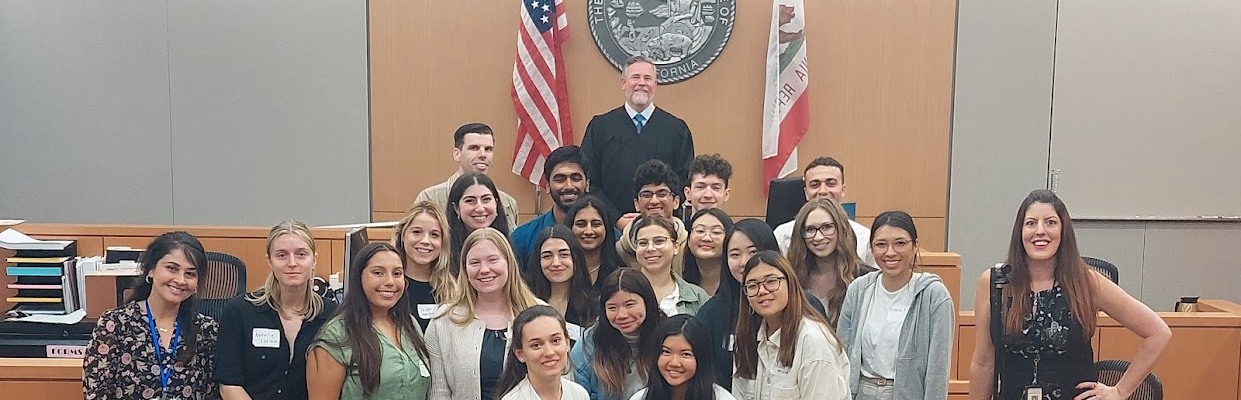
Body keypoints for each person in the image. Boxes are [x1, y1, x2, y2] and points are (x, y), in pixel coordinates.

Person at [970, 190, 1170, 400]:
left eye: (1050, 222)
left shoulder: (1087, 282)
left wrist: (1120, 391)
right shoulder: (995, 283)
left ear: (1063, 231)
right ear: (1019, 231)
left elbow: (1158, 333)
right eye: (1031, 223)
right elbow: (983, 362)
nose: (1040, 231)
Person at [695, 219, 828, 391]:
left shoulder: (807, 306)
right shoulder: (712, 311)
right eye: (735, 255)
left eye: (753, 252)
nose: (744, 262)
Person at [84, 231, 219, 400]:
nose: (181, 280)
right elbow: (97, 393)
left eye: (190, 274)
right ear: (151, 270)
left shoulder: (207, 330)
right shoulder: (115, 324)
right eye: (172, 268)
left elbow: (212, 392)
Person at [837, 211, 954, 400]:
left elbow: (938, 368)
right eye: (881, 244)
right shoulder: (858, 289)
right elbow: (842, 352)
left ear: (915, 246)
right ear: (871, 248)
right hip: (861, 392)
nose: (890, 252)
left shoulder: (934, 295)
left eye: (900, 243)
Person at [217, 221, 336, 400]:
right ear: (269, 261)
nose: (292, 263)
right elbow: (229, 385)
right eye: (282, 255)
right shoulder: (239, 311)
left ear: (314, 260)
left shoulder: (331, 314)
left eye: (301, 254)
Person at [426, 227, 544, 400]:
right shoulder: (443, 321)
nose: (484, 269)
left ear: (508, 262)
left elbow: (560, 382)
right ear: (465, 269)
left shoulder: (541, 316)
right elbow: (439, 392)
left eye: (492, 260)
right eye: (474, 263)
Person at [307, 242, 431, 400]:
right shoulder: (337, 336)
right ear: (359, 277)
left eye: (397, 273)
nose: (390, 282)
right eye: (378, 273)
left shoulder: (409, 324)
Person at [581, 55, 694, 216]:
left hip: (662, 226)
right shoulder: (600, 127)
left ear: (655, 84)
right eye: (635, 77)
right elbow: (589, 181)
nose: (642, 83)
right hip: (611, 228)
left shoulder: (677, 129)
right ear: (623, 83)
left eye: (647, 78)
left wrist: (656, 216)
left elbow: (683, 181)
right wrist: (615, 219)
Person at [732, 250, 850, 400]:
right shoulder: (746, 337)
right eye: (753, 285)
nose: (762, 291)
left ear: (790, 284)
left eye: (771, 281)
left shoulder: (813, 341)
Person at [571, 269, 668, 400]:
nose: (622, 315)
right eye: (612, 307)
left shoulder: (667, 336)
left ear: (647, 302)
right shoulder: (590, 343)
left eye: (630, 305)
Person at [785, 198, 876, 325]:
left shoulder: (867, 279)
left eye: (827, 227)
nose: (818, 237)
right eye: (810, 230)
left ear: (841, 229)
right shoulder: (790, 277)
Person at [774, 157, 874, 268]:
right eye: (814, 185)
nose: (822, 191)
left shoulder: (865, 238)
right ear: (806, 193)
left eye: (831, 184)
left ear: (842, 190)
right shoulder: (782, 235)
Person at [416, 122, 519, 228]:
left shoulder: (507, 203)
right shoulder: (431, 198)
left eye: (488, 149)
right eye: (474, 148)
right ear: (457, 154)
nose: (483, 155)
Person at [512, 145, 591, 263]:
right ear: (548, 186)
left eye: (575, 178)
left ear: (587, 185)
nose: (569, 186)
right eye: (560, 179)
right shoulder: (522, 238)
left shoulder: (606, 235)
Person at [628, 315, 737, 400]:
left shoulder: (720, 397)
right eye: (666, 352)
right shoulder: (641, 397)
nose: (674, 363)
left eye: (686, 354)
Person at [496, 305, 591, 400]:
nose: (549, 352)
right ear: (520, 354)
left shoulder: (579, 394)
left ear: (567, 343)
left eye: (555, 341)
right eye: (536, 345)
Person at [393, 200, 458, 329]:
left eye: (434, 235)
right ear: (402, 235)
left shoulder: (454, 291)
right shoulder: (389, 286)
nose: (425, 241)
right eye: (417, 232)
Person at [524, 225, 597, 338]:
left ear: (575, 258)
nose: (556, 263)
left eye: (564, 255)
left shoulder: (594, 306)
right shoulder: (525, 302)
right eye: (547, 256)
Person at [617, 160, 689, 271]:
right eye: (646, 195)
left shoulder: (689, 247)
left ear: (676, 201)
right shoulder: (620, 251)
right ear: (636, 203)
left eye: (662, 194)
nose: (654, 201)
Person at [630, 215, 708, 317]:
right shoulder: (621, 292)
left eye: (659, 241)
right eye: (643, 243)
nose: (650, 248)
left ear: (676, 247)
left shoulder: (698, 297)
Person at [447, 172, 514, 271]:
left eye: (486, 199)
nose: (480, 208)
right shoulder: (443, 250)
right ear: (456, 208)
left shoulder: (514, 245)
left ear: (496, 203)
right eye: (470, 201)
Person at [564, 195, 624, 288]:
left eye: (596, 224)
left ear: (606, 228)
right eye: (581, 224)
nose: (589, 231)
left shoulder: (621, 274)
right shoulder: (559, 270)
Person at [682, 208, 733, 296]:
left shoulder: (739, 283)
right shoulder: (678, 283)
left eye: (716, 232)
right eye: (700, 231)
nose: (706, 238)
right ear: (688, 239)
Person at [682, 153, 733, 220]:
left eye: (716, 188)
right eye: (700, 187)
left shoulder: (733, 230)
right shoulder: (676, 230)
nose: (708, 195)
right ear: (688, 193)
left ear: (726, 194)